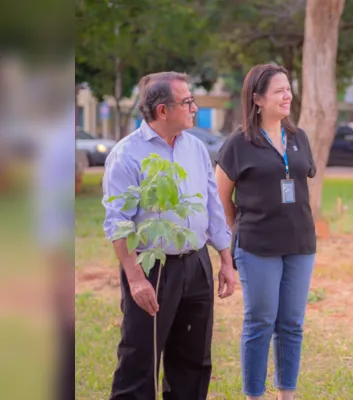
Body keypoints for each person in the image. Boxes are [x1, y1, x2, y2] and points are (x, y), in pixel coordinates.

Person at [102, 71, 237, 399]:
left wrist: (225, 259)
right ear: (163, 110)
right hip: (153, 267)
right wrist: (135, 279)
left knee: (193, 362)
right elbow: (118, 223)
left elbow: (212, 207)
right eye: (188, 101)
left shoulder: (197, 148)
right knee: (140, 361)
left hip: (197, 264)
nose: (194, 107)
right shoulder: (126, 155)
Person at [214, 64, 317, 400]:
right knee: (260, 323)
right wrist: (239, 228)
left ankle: (286, 394)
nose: (287, 95)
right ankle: (254, 395)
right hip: (257, 246)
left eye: (288, 89)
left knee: (292, 323)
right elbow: (221, 198)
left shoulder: (299, 137)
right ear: (257, 99)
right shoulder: (237, 144)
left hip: (300, 244)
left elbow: (302, 184)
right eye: (279, 91)